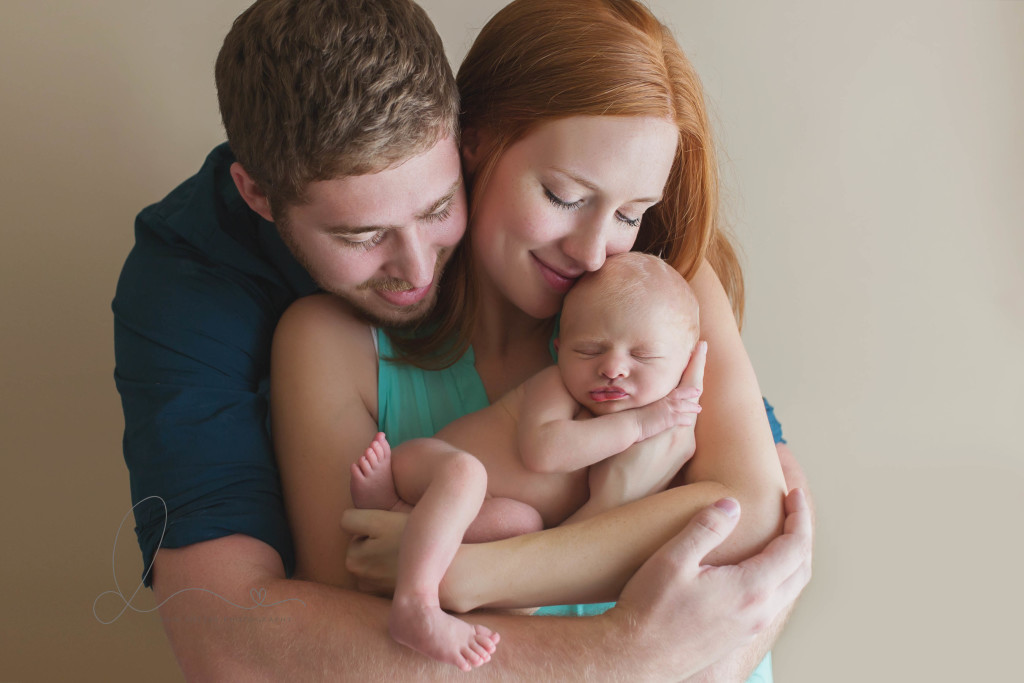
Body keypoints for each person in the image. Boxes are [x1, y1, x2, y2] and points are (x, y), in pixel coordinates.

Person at [112, 0, 811, 679]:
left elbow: (749, 521)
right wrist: (629, 646)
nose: (599, 253)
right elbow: (314, 641)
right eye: (565, 196)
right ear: (476, 141)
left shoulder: (661, 288)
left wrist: (473, 570)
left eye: (633, 212)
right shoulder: (291, 327)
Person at [350, 253, 704, 669]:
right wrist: (642, 424)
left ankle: (403, 524)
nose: (611, 368)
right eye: (588, 350)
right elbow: (545, 452)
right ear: (559, 350)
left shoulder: (665, 441)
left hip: (481, 520)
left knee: (523, 527)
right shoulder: (556, 387)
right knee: (467, 475)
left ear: (683, 367)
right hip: (432, 471)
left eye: (642, 357)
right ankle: (414, 600)